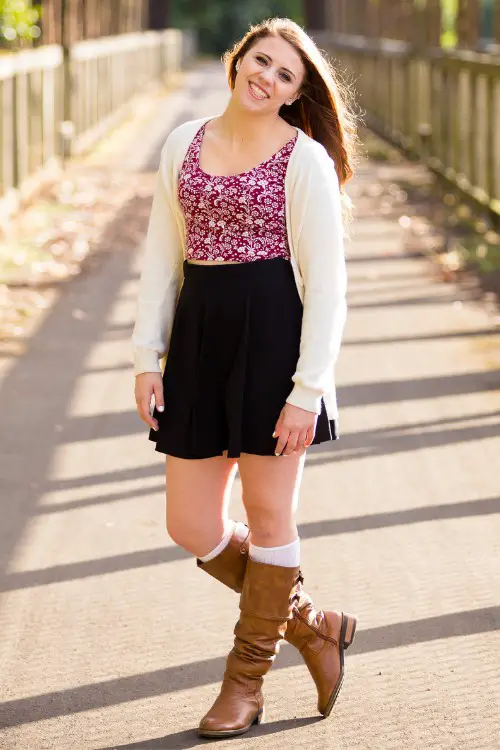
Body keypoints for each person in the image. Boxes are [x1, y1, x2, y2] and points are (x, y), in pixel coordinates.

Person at [132, 17, 358, 738]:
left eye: (285, 74)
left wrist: (306, 390)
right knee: (189, 523)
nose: (267, 76)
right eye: (261, 60)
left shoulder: (305, 160)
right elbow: (162, 256)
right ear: (238, 61)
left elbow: (327, 287)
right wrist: (146, 357)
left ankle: (245, 684)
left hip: (272, 344)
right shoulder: (184, 144)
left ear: (295, 95)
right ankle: (310, 624)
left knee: (268, 518)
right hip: (199, 340)